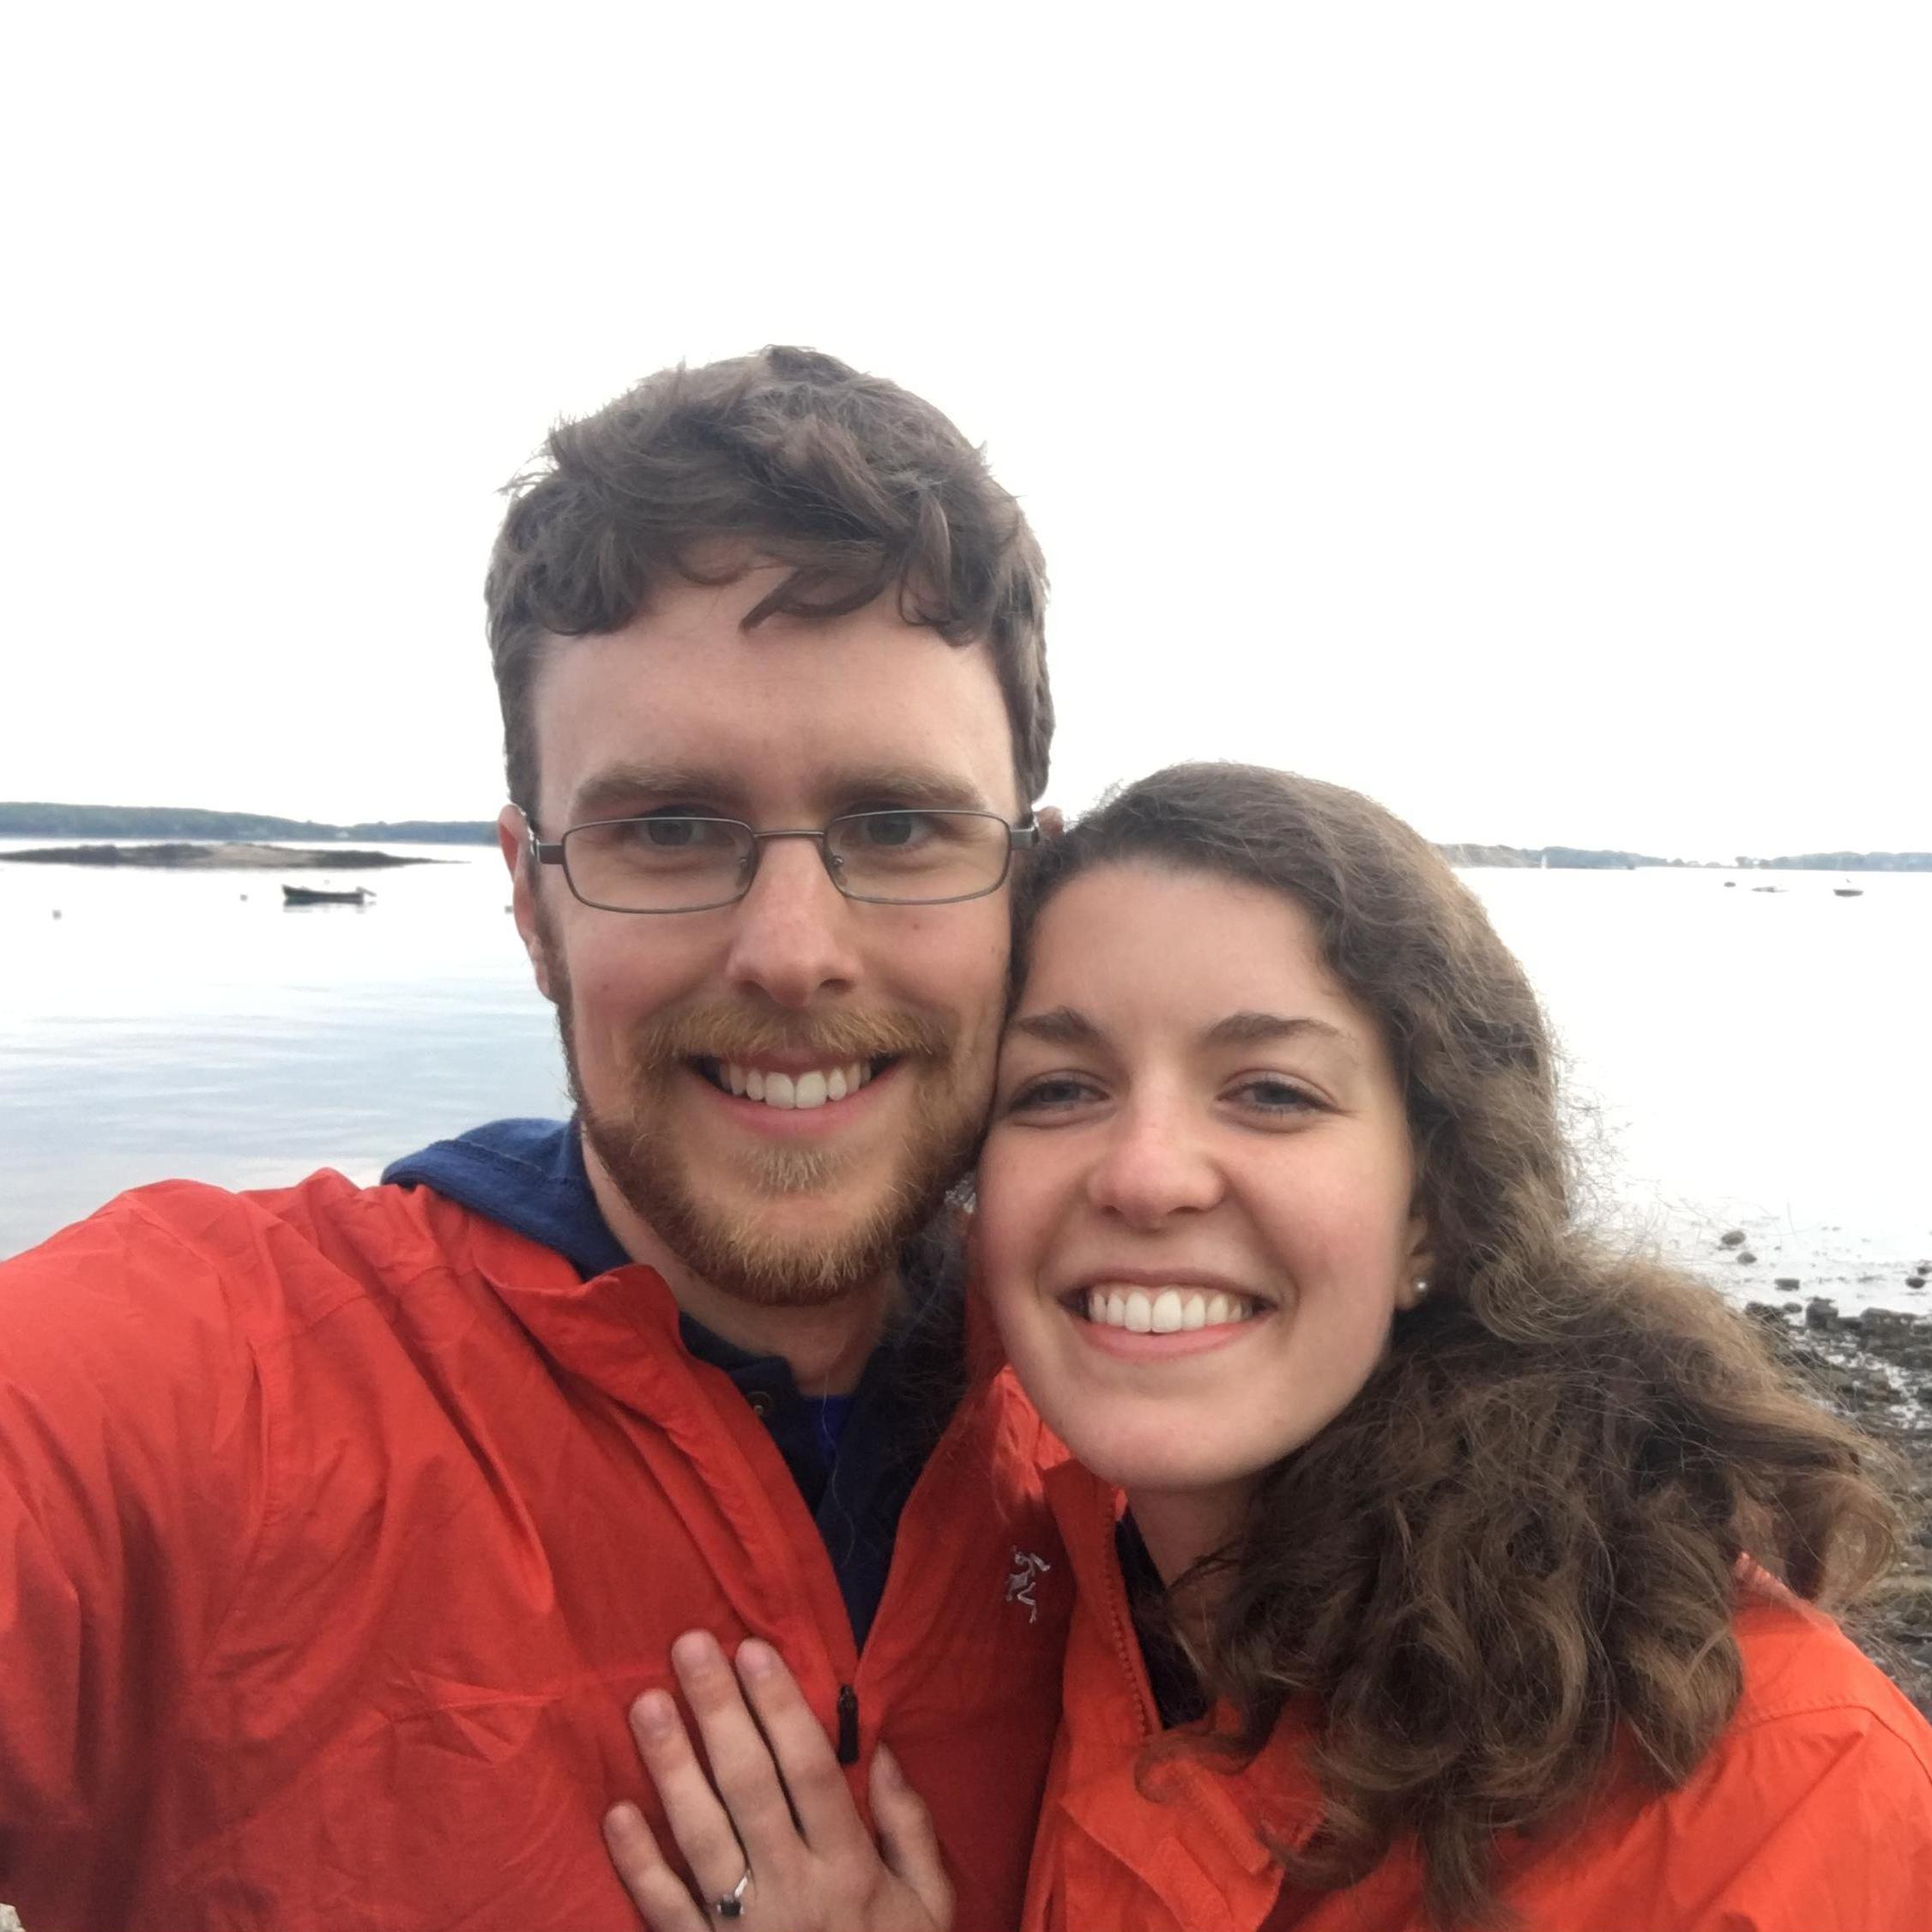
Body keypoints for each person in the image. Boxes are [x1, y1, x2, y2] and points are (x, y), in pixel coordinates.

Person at [0, 347, 1072, 1932]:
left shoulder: (1149, 1451)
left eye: (898, 828)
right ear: (529, 897)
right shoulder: (217, 1393)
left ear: (1025, 887)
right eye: (670, 829)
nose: (791, 949)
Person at [609, 763, 1932, 1932]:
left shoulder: (1770, 1782)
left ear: (1434, 1206)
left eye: (1272, 1093)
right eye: (1059, 1089)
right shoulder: (1080, 1603)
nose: (1145, 1175)